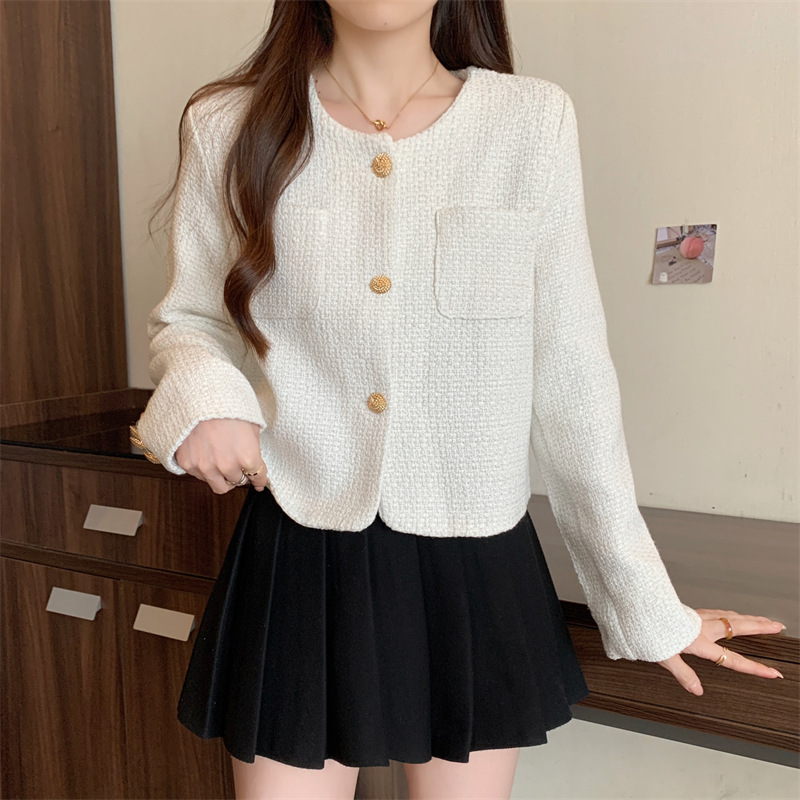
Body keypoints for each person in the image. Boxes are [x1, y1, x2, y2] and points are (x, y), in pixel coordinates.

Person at [130, 2, 786, 798]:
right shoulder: (227, 123)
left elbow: (571, 370)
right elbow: (192, 318)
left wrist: (644, 603)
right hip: (301, 545)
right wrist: (206, 398)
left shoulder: (529, 121)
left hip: (474, 554)